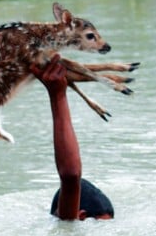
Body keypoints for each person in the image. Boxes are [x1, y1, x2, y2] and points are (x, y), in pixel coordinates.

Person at [30, 54, 114, 220]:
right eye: (100, 224)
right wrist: (57, 96)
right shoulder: (69, 223)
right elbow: (71, 176)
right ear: (81, 216)